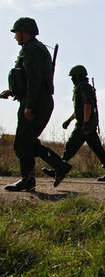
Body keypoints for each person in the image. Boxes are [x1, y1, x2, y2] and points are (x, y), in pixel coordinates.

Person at [1, 17, 71, 191]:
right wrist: (13, 91)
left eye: (17, 33)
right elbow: (28, 78)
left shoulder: (32, 50)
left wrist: (29, 106)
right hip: (38, 99)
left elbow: (34, 79)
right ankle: (54, 168)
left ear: (24, 32)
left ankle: (30, 178)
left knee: (23, 142)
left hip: (37, 101)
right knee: (27, 141)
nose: (15, 36)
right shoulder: (33, 48)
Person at [42, 65, 105, 182]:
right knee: (97, 149)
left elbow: (87, 105)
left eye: (72, 77)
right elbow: (80, 109)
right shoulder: (83, 87)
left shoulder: (83, 87)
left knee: (70, 146)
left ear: (77, 76)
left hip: (84, 124)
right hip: (88, 123)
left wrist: (85, 123)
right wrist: (69, 120)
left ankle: (59, 168)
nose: (72, 79)